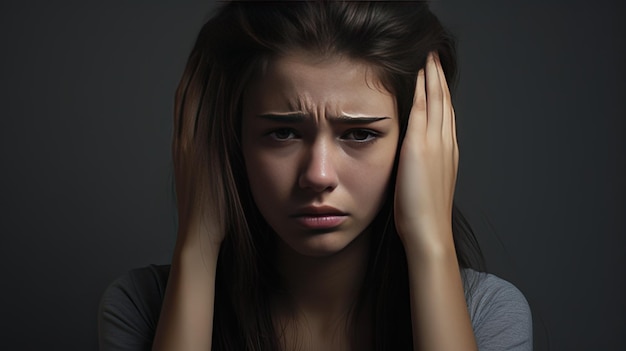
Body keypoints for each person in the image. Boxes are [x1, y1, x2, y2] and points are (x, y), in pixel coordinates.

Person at [98, 1, 532, 350]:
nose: (318, 175)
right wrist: (196, 246)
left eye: (360, 134)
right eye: (282, 132)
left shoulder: (487, 315)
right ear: (230, 142)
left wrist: (430, 243)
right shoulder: (142, 307)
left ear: (416, 144)